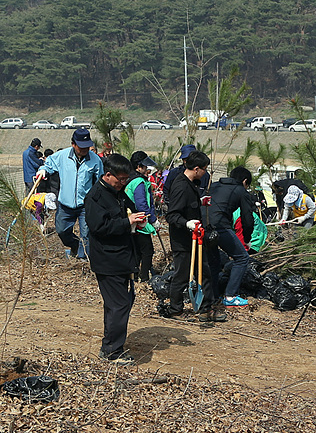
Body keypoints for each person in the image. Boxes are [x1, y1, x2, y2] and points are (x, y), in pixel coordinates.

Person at [85, 153, 146, 363]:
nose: (123, 183)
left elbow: (130, 211)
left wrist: (138, 220)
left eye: (125, 179)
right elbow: (99, 227)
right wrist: (127, 221)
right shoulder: (95, 197)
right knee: (118, 304)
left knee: (121, 303)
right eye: (120, 179)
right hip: (107, 259)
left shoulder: (118, 193)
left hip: (123, 256)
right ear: (108, 175)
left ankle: (112, 344)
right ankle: (112, 350)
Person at [161, 150, 218, 319]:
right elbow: (172, 215)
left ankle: (205, 308)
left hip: (196, 239)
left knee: (205, 272)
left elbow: (187, 205)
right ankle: (175, 309)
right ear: (196, 169)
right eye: (204, 169)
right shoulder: (180, 186)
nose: (205, 173)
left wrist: (199, 202)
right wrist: (187, 223)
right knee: (182, 275)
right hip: (183, 240)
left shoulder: (191, 184)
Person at [35, 127, 103, 260]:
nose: (84, 150)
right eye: (81, 147)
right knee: (61, 231)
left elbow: (99, 181)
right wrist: (42, 170)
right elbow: (48, 164)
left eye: (87, 147)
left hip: (85, 204)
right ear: (73, 144)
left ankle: (84, 260)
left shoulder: (95, 160)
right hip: (65, 204)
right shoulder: (62, 156)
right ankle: (74, 245)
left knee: (86, 233)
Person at [208, 165, 258, 307]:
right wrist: (247, 240)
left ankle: (213, 295)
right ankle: (230, 296)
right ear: (245, 181)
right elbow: (247, 219)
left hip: (202, 226)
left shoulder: (214, 185)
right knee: (242, 258)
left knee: (214, 260)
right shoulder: (241, 191)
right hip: (220, 226)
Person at [126, 152, 159, 281]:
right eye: (145, 167)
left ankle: (134, 276)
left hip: (132, 221)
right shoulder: (139, 181)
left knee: (136, 251)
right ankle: (144, 277)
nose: (147, 170)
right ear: (139, 167)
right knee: (147, 251)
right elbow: (141, 204)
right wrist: (152, 220)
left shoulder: (130, 178)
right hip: (140, 222)